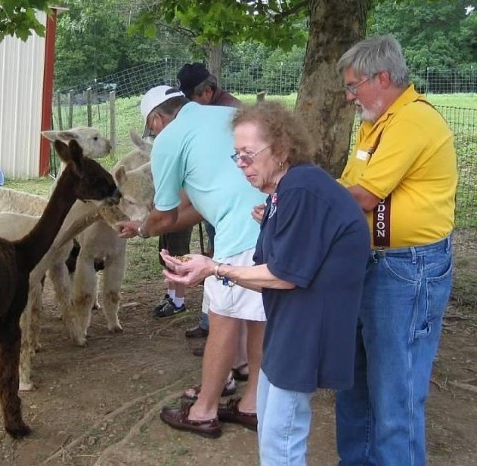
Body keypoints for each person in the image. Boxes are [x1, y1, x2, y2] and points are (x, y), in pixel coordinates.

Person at [160, 101, 371, 464]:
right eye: (236, 156)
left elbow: (284, 276)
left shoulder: (302, 189)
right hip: (290, 327)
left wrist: (215, 268)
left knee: (282, 439)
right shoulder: (285, 193)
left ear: (283, 150)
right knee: (274, 431)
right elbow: (273, 274)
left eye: (248, 155)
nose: (241, 165)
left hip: (307, 330)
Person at [335, 35, 458, 466]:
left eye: (354, 86)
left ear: (381, 77)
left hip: (408, 270)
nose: (350, 96)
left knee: (395, 394)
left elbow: (363, 196)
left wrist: (298, 194)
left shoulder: (411, 122)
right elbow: (347, 188)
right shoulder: (375, 123)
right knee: (355, 385)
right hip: (372, 263)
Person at [118, 85, 267, 438]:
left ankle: (203, 411)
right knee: (260, 317)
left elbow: (166, 215)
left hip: (238, 232)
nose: (153, 133)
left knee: (223, 319)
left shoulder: (169, 139)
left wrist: (141, 230)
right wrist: (144, 225)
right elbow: (199, 205)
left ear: (157, 119)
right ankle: (253, 405)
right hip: (271, 220)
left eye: (151, 128)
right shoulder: (225, 114)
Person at [176, 62, 243, 364]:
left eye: (194, 99)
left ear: (207, 91)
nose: (192, 107)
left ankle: (223, 337)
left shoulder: (232, 113)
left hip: (232, 203)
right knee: (213, 260)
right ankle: (209, 325)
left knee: (224, 265)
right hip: (215, 197)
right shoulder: (210, 110)